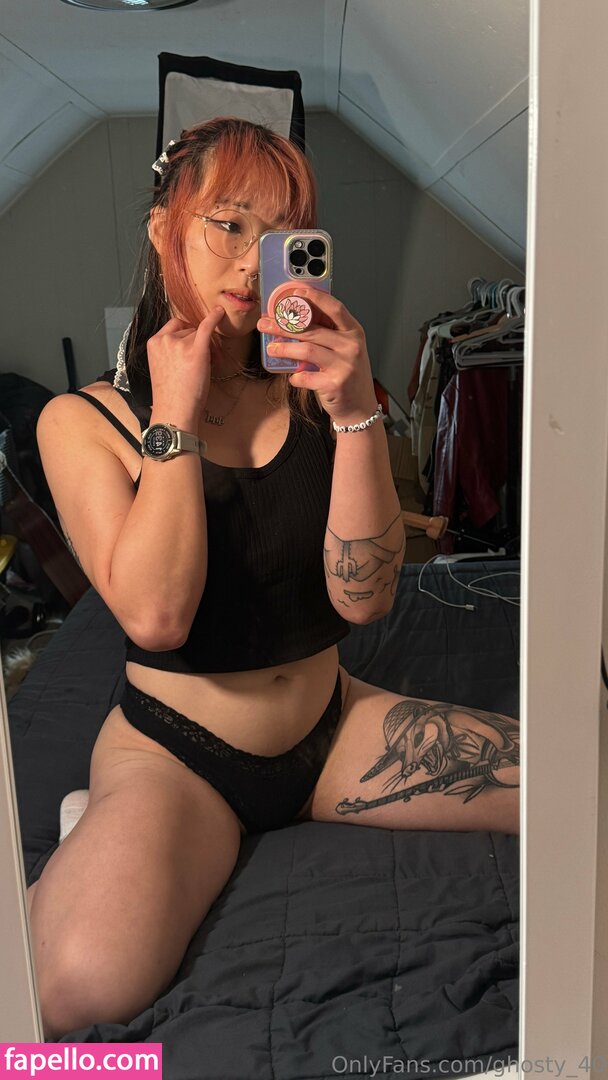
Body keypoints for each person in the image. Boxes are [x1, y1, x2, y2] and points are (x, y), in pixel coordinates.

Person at [28, 117, 519, 1040]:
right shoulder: (81, 422)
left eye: (284, 234)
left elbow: (365, 600)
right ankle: (104, 826)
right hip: (179, 760)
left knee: (571, 783)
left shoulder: (312, 390)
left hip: (333, 728)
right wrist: (175, 413)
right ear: (163, 230)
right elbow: (157, 618)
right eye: (228, 224)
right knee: (71, 996)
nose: (254, 261)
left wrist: (356, 410)